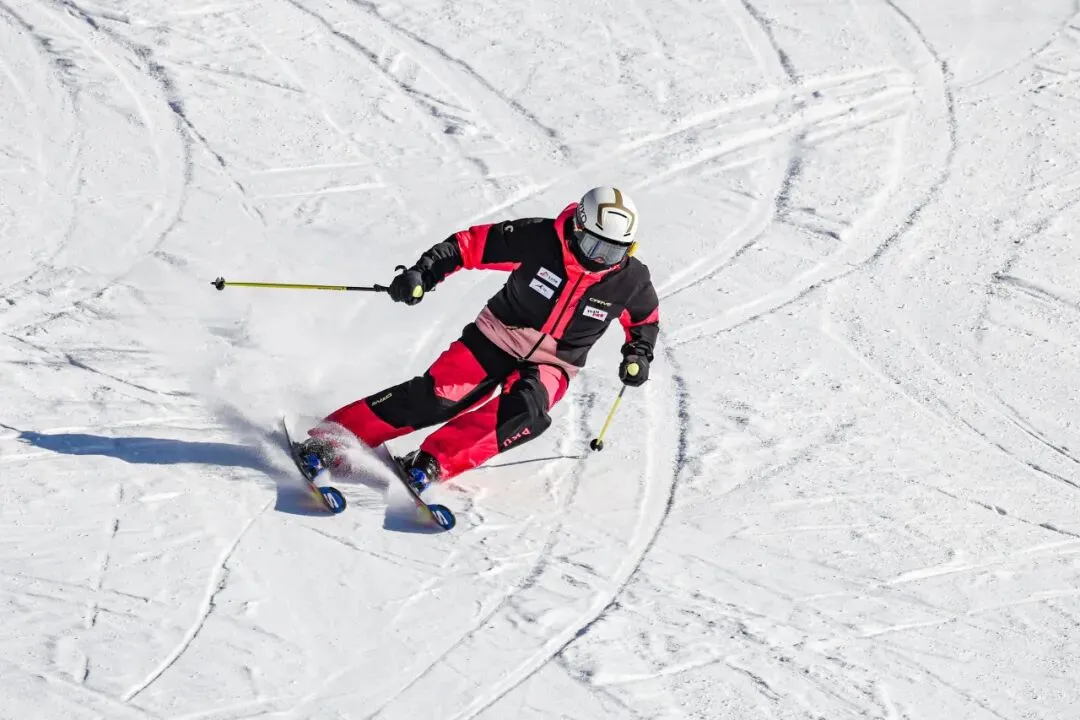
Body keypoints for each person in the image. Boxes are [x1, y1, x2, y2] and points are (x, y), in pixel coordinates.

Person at [297, 186, 660, 494]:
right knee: (441, 397)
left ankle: (431, 463)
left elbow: (645, 320)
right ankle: (331, 440)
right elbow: (467, 246)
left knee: (527, 413)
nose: (600, 259)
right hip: (497, 335)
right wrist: (422, 274)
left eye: (613, 251)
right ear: (577, 227)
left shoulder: (630, 280)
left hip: (555, 362)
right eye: (594, 245)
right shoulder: (538, 239)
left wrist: (638, 354)